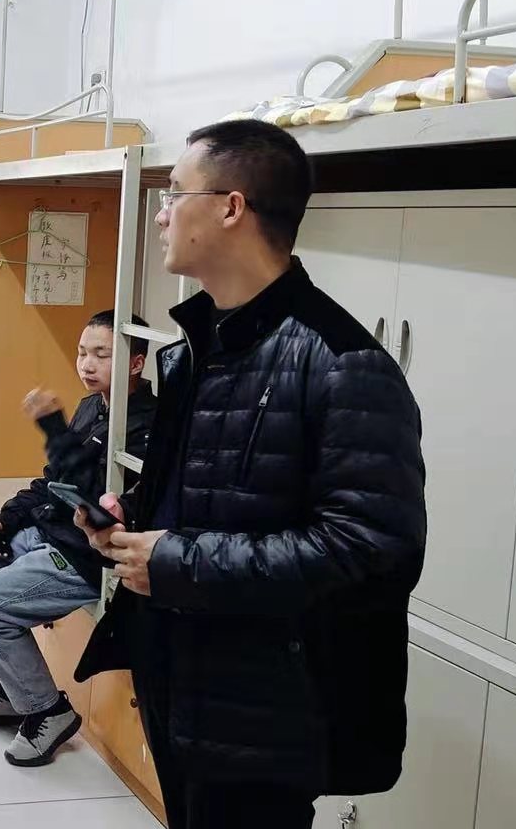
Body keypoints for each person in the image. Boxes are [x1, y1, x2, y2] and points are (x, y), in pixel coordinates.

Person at [75, 120, 426, 829]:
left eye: (175, 194)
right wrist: (130, 519)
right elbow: (213, 492)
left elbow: (372, 552)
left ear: (231, 207)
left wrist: (177, 560)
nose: (163, 215)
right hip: (183, 677)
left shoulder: (343, 363)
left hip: (267, 710)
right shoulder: (194, 351)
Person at [0, 311, 157, 768]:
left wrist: (54, 428)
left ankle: (48, 711)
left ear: (136, 362)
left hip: (84, 554)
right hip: (48, 534)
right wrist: (8, 518)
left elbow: (95, 500)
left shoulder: (148, 427)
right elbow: (53, 481)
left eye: (101, 354)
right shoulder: (91, 407)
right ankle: (14, 690)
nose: (87, 364)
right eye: (82, 353)